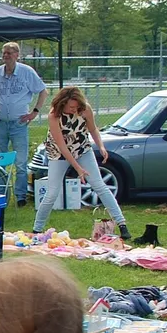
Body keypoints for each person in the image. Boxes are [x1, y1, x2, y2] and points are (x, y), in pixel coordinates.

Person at [33, 86, 130, 241]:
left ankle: (122, 224)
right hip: (59, 153)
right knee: (52, 193)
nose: (74, 110)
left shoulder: (85, 109)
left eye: (76, 107)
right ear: (63, 103)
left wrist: (101, 146)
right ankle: (37, 229)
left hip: (82, 149)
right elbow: (62, 146)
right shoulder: (54, 115)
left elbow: (93, 129)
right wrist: (78, 168)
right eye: (71, 107)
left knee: (99, 185)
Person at [0, 42, 46, 206]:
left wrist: (34, 112)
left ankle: (20, 196)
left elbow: (42, 91)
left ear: (17, 55)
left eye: (9, 53)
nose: (6, 56)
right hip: (0, 123)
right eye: (4, 53)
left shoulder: (27, 72)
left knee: (21, 162)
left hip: (19, 123)